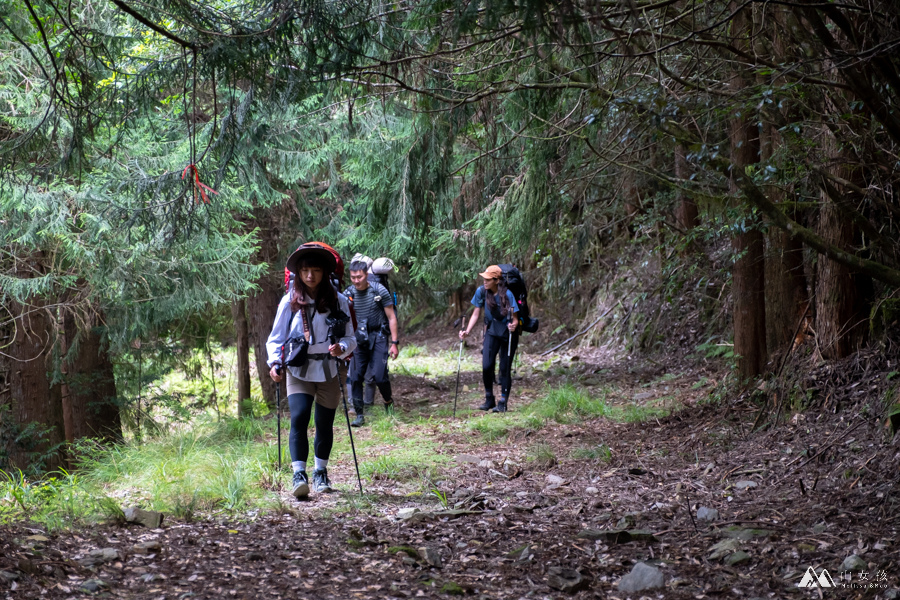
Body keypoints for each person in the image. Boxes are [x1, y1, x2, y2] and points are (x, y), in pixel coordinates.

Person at [266, 244, 356, 498]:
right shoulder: (289, 301)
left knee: (324, 423)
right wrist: (274, 363)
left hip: (329, 368)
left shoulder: (338, 300)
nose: (310, 276)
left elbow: (351, 336)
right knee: (300, 416)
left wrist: (343, 347)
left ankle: (320, 473)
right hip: (298, 368)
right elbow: (276, 338)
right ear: (298, 272)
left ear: (325, 272)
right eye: (305, 270)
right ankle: (299, 475)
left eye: (316, 270)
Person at [343, 260, 400, 427]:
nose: (356, 280)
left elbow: (391, 317)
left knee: (380, 375)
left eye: (359, 276)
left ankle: (388, 401)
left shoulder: (379, 290)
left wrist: (395, 343)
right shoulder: (349, 293)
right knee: (355, 377)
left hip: (378, 336)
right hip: (358, 339)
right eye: (353, 277)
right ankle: (359, 415)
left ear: (366, 275)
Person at [459, 265, 519, 413]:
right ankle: (489, 399)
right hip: (491, 331)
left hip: (507, 333)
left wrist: (513, 325)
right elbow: (475, 314)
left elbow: (515, 319)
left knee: (504, 368)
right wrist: (467, 330)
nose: (484, 281)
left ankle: (503, 402)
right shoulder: (481, 292)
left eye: (488, 279)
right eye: (484, 278)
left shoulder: (508, 295)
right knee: (486, 366)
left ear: (497, 280)